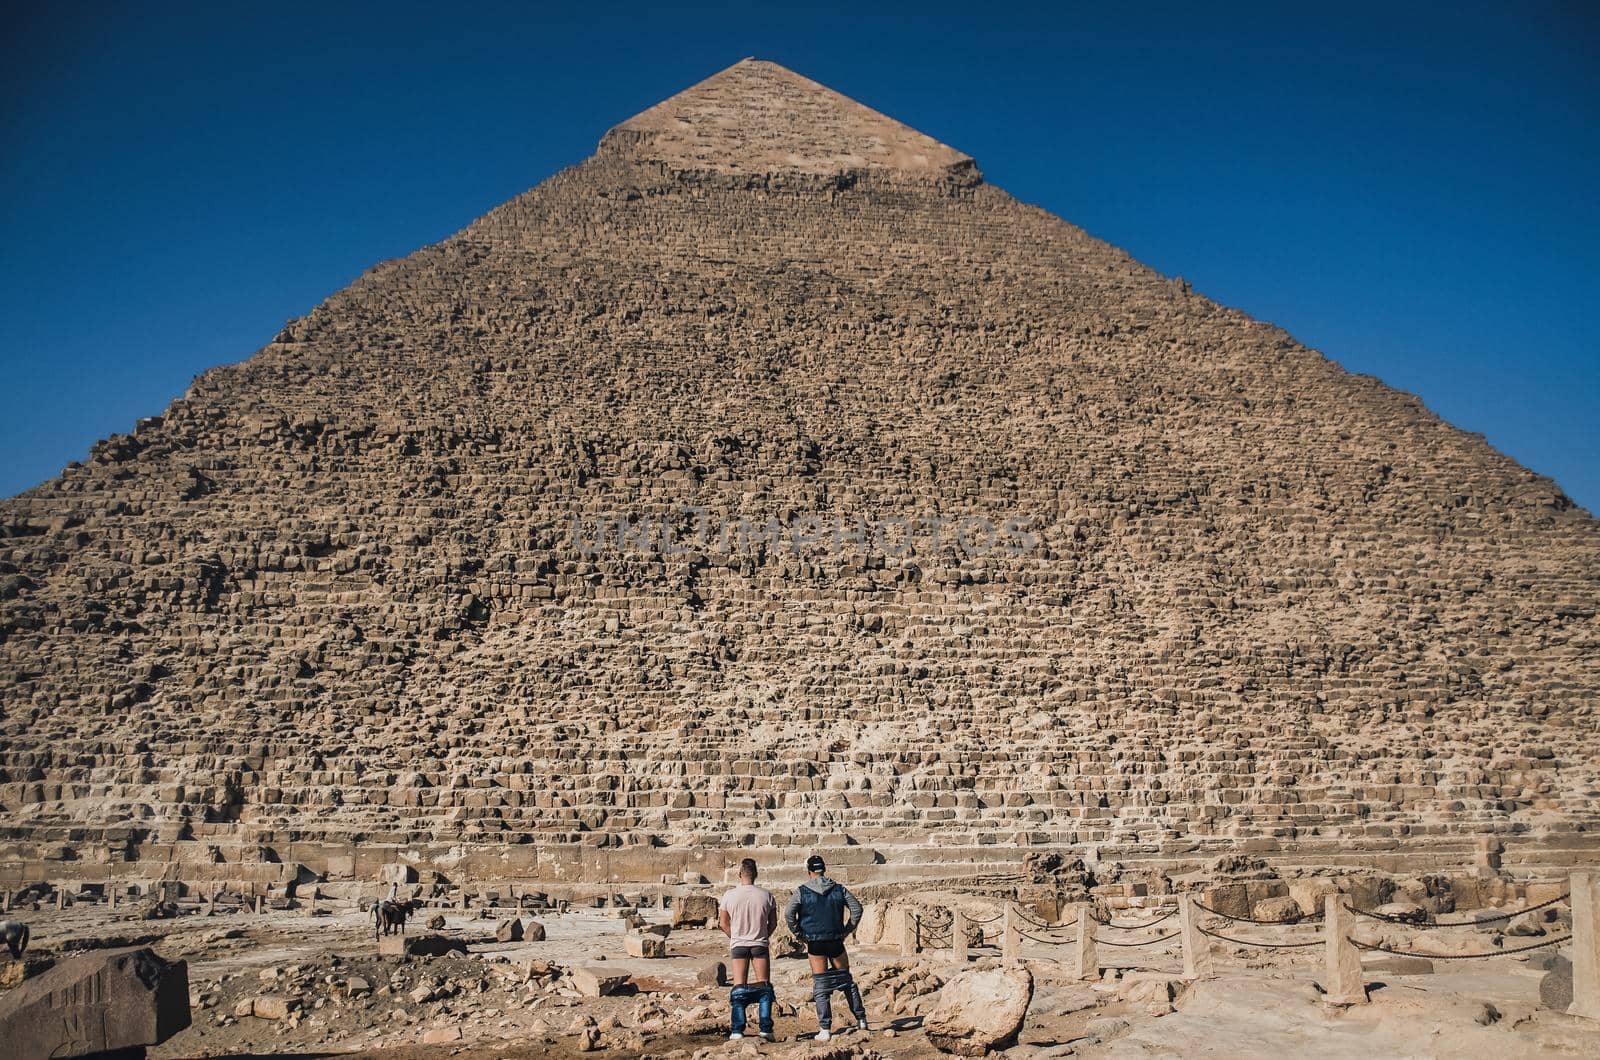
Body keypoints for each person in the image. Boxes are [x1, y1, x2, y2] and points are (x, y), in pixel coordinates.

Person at [784, 854, 868, 1040]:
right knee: (847, 981)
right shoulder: (838, 889)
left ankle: (825, 1029)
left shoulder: (801, 891)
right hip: (836, 940)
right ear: (824, 869)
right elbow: (857, 909)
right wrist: (847, 930)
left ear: (809, 871)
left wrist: (800, 934)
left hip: (815, 943)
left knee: (821, 986)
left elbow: (789, 914)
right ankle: (861, 1019)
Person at [719, 857, 777, 1040]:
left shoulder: (729, 895)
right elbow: (773, 923)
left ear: (739, 874)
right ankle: (766, 1029)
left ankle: (737, 1029)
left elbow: (723, 923)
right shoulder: (766, 895)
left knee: (738, 988)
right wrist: (762, 935)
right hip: (759, 944)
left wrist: (735, 936)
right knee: (764, 987)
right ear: (756, 874)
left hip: (739, 945)